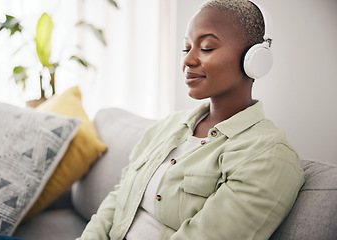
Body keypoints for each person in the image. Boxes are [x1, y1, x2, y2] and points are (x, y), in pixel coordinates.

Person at [77, 0, 305, 239]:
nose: (187, 61)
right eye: (186, 49)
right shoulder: (167, 126)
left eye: (206, 48)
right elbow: (118, 198)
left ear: (253, 59)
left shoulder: (267, 156)